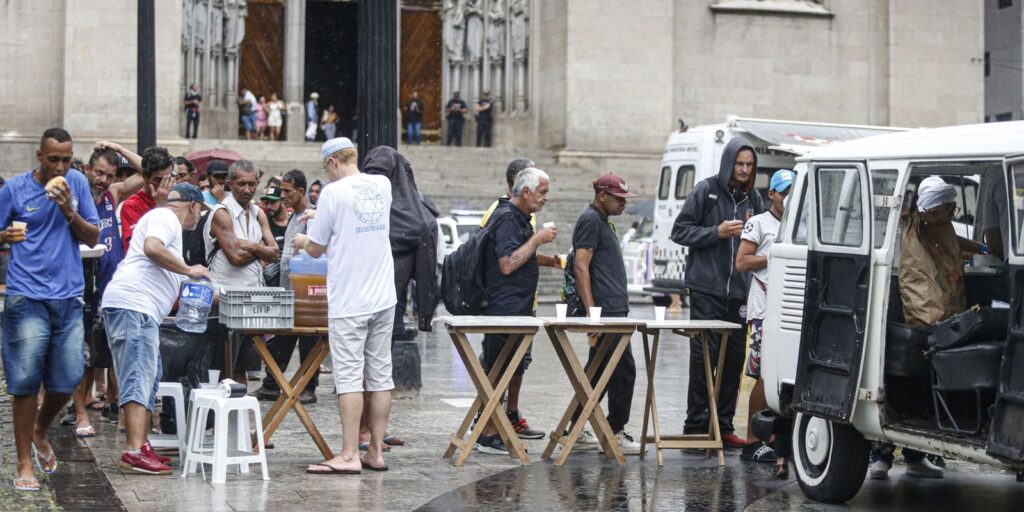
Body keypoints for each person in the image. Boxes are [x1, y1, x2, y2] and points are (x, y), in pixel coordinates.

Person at [0, 128, 100, 492]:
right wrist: (3, 238)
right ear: (39, 156)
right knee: (25, 381)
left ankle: (41, 430)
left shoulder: (76, 184)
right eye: (53, 159)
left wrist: (68, 208)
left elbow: (92, 237)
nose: (60, 165)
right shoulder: (13, 189)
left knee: (69, 377)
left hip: (68, 296)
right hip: (25, 295)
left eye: (66, 160)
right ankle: (25, 463)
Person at [870, 176, 987, 480]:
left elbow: (954, 244)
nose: (953, 210)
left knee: (922, 387)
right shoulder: (916, 226)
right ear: (936, 207)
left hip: (935, 316)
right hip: (915, 317)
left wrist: (984, 247)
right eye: (949, 205)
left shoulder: (939, 227)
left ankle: (913, 456)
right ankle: (881, 456)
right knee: (902, 385)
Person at [296, 137, 396, 474]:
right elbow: (354, 221)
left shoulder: (332, 193)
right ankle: (377, 452)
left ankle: (350, 454)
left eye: (327, 169)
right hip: (384, 296)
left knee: (351, 377)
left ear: (332, 163)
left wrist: (302, 237)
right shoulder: (382, 184)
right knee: (380, 375)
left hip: (351, 299)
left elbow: (315, 248)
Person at [101, 184, 209, 474]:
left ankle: (142, 443)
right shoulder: (166, 218)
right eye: (200, 212)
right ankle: (135, 449)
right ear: (193, 206)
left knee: (149, 375)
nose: (197, 220)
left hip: (141, 309)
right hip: (134, 305)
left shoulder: (165, 222)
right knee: (138, 373)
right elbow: (152, 248)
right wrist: (189, 270)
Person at [670, 137, 764, 448]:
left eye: (749, 165)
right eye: (739, 164)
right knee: (703, 358)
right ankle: (696, 427)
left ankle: (722, 426)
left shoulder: (755, 201)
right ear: (728, 163)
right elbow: (679, 231)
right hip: (706, 290)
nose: (744, 170)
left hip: (739, 294)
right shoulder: (705, 190)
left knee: (734, 359)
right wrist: (715, 232)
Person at [62, 142, 144, 439]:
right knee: (81, 351)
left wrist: (116, 147)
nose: (103, 180)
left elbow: (149, 170)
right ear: (87, 170)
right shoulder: (74, 198)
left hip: (111, 284)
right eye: (99, 173)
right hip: (78, 282)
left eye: (109, 175)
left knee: (107, 350)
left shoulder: (114, 194)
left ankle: (111, 403)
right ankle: (80, 410)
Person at [477, 158, 561, 442]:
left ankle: (497, 425)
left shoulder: (519, 217)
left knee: (508, 369)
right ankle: (488, 431)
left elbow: (519, 255)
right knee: (499, 371)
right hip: (503, 310)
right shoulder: (506, 217)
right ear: (525, 192)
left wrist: (550, 259)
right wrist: (537, 240)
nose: (546, 199)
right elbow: (507, 264)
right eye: (542, 193)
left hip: (516, 310)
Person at [568, 172, 641, 455]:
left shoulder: (601, 221)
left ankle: (575, 426)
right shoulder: (590, 220)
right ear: (602, 195)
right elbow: (580, 267)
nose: (624, 204)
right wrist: (592, 313)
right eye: (619, 199)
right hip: (605, 312)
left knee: (597, 373)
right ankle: (613, 431)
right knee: (622, 372)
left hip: (612, 310)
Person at [735, 169, 795, 474]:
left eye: (793, 192)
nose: (788, 198)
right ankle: (750, 440)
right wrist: (773, 257)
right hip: (763, 309)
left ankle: (774, 439)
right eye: (784, 192)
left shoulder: (800, 226)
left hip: (790, 308)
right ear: (771, 193)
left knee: (783, 375)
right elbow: (742, 262)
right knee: (761, 374)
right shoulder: (758, 223)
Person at [204, 160, 280, 384]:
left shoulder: (258, 213)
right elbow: (235, 257)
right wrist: (261, 250)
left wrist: (253, 246)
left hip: (252, 298)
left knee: (243, 368)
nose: (247, 189)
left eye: (252, 184)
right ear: (229, 184)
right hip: (225, 299)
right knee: (224, 368)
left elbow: (275, 253)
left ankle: (241, 416)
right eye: (241, 184)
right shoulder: (221, 213)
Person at [253, 170, 320, 404]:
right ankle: (272, 384)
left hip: (305, 293)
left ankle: (308, 387)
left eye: (287, 191)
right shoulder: (295, 215)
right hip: (287, 289)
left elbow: (315, 253)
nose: (284, 196)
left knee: (308, 343)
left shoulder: (311, 217)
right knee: (280, 340)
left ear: (301, 191)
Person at [362, 146, 438, 340]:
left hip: (371, 303)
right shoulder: (418, 219)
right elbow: (426, 273)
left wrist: (425, 314)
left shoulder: (358, 211)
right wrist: (425, 315)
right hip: (376, 304)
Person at [119, 147, 175, 254]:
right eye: (158, 179)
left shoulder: (176, 198)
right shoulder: (131, 206)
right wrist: (160, 207)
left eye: (168, 178)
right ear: (144, 176)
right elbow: (139, 247)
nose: (164, 184)